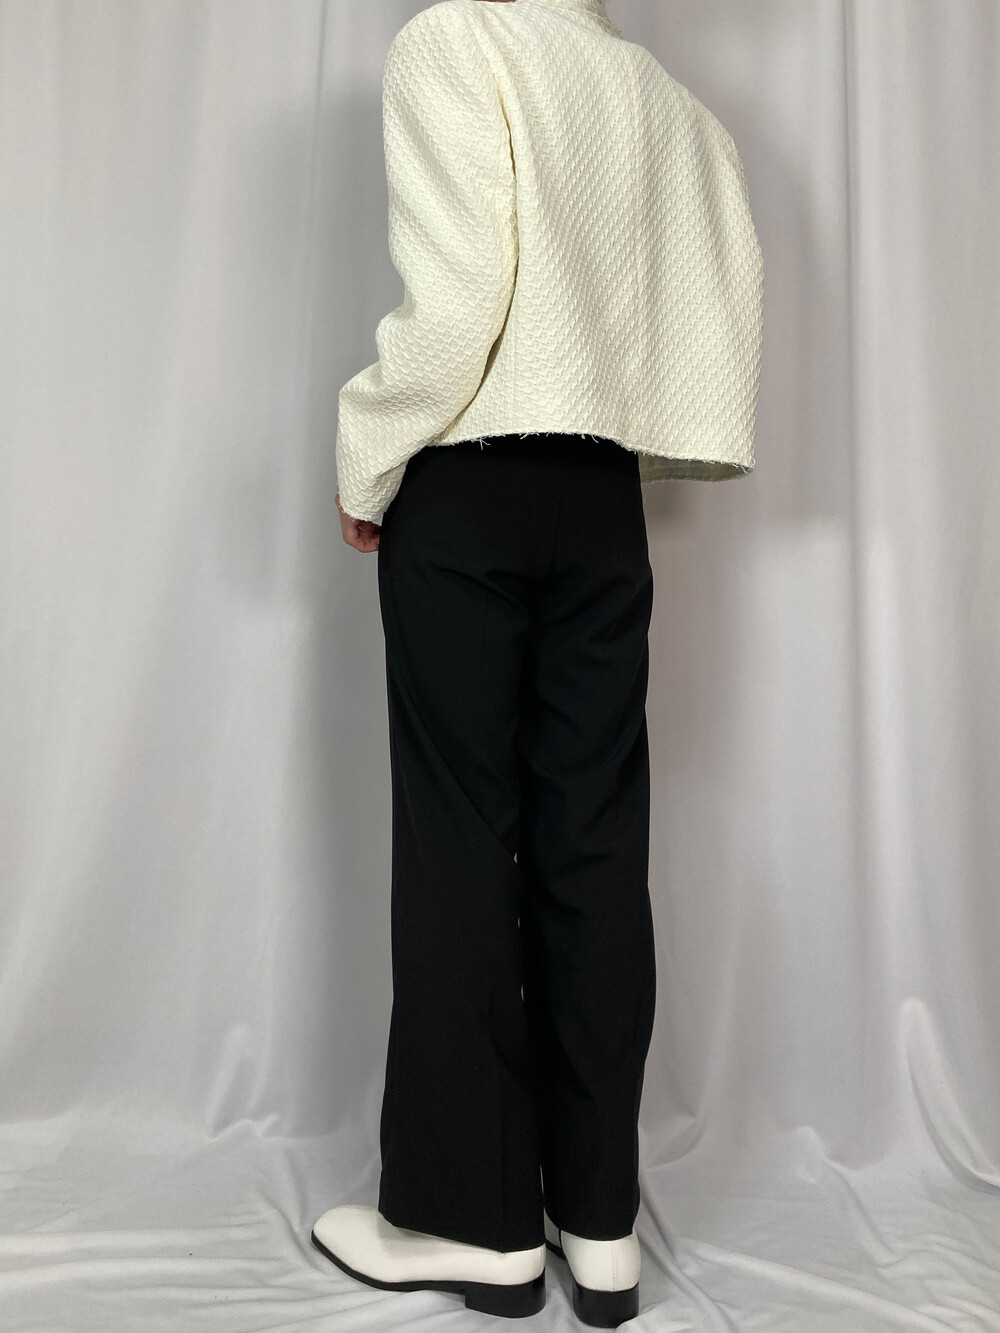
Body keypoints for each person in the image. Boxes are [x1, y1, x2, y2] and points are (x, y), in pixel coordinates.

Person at [312, 0, 763, 1324]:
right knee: (594, 840)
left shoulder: (455, 40)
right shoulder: (655, 92)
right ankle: (599, 1219)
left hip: (471, 486)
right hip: (602, 505)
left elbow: (460, 302)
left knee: (463, 839)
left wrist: (365, 450)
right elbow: (720, 283)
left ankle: (477, 1223)